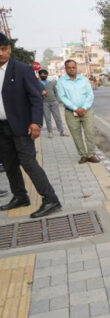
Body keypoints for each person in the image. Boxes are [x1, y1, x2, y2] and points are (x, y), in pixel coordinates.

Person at [0, 32, 61, 218]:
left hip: (21, 125)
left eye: (3, 49)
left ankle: (51, 199)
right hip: (1, 128)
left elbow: (36, 97)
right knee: (9, 164)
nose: (0, 53)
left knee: (29, 163)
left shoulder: (22, 69)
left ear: (9, 49)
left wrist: (36, 122)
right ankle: (20, 196)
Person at [56, 59, 98, 163]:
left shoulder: (83, 79)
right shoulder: (61, 81)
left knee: (90, 132)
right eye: (69, 68)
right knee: (76, 134)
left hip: (86, 111)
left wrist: (84, 107)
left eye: (73, 67)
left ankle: (91, 154)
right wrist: (75, 108)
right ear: (65, 69)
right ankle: (83, 155)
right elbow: (62, 97)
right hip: (71, 112)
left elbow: (90, 94)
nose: (71, 69)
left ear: (76, 68)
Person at [38, 69, 67, 138]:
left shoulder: (51, 83)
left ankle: (61, 131)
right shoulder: (38, 84)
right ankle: (50, 132)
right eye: (42, 74)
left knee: (57, 117)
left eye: (45, 74)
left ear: (47, 75)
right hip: (44, 103)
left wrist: (57, 100)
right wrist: (40, 94)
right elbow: (35, 93)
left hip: (53, 102)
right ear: (39, 75)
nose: (43, 75)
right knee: (47, 118)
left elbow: (56, 92)